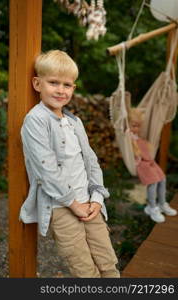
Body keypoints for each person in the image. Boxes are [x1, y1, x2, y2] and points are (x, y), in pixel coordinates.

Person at [19, 50, 120, 278]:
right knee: (84, 269)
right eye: (53, 82)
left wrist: (96, 197)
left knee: (107, 262)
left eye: (67, 85)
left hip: (89, 203)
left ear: (73, 89)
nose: (61, 90)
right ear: (37, 83)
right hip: (61, 206)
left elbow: (91, 162)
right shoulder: (36, 121)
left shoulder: (75, 122)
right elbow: (46, 170)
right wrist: (74, 205)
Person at [128, 108, 177, 223]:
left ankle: (162, 203)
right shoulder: (128, 137)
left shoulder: (137, 136)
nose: (137, 129)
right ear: (128, 124)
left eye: (138, 126)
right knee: (153, 182)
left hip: (149, 161)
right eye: (134, 125)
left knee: (162, 179)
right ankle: (151, 207)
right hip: (141, 163)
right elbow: (134, 151)